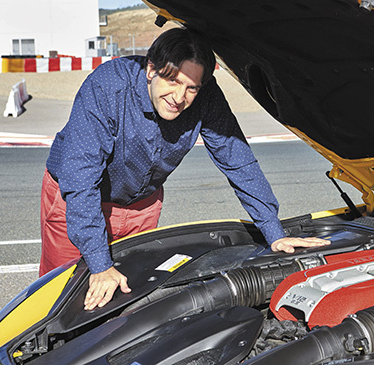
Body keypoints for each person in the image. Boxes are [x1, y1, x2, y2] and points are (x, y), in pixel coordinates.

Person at [40, 27, 329, 311]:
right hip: (77, 202)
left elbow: (237, 159)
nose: (180, 97)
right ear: (152, 69)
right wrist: (99, 264)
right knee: (61, 299)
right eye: (173, 82)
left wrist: (274, 231)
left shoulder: (206, 96)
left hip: (142, 205)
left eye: (191, 88)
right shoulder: (107, 86)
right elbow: (80, 177)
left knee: (126, 297)